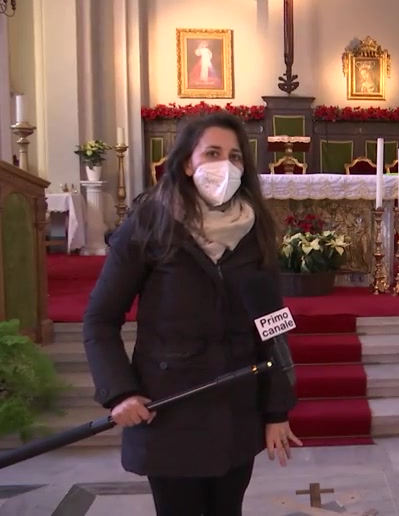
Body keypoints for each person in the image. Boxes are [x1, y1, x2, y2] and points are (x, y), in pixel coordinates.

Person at [82, 112, 299, 516]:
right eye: (213, 153)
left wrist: (276, 412)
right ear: (186, 162)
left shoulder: (256, 230)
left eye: (235, 157)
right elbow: (99, 320)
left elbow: (273, 329)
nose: (226, 166)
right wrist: (119, 391)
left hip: (236, 409)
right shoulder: (149, 224)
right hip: (170, 409)